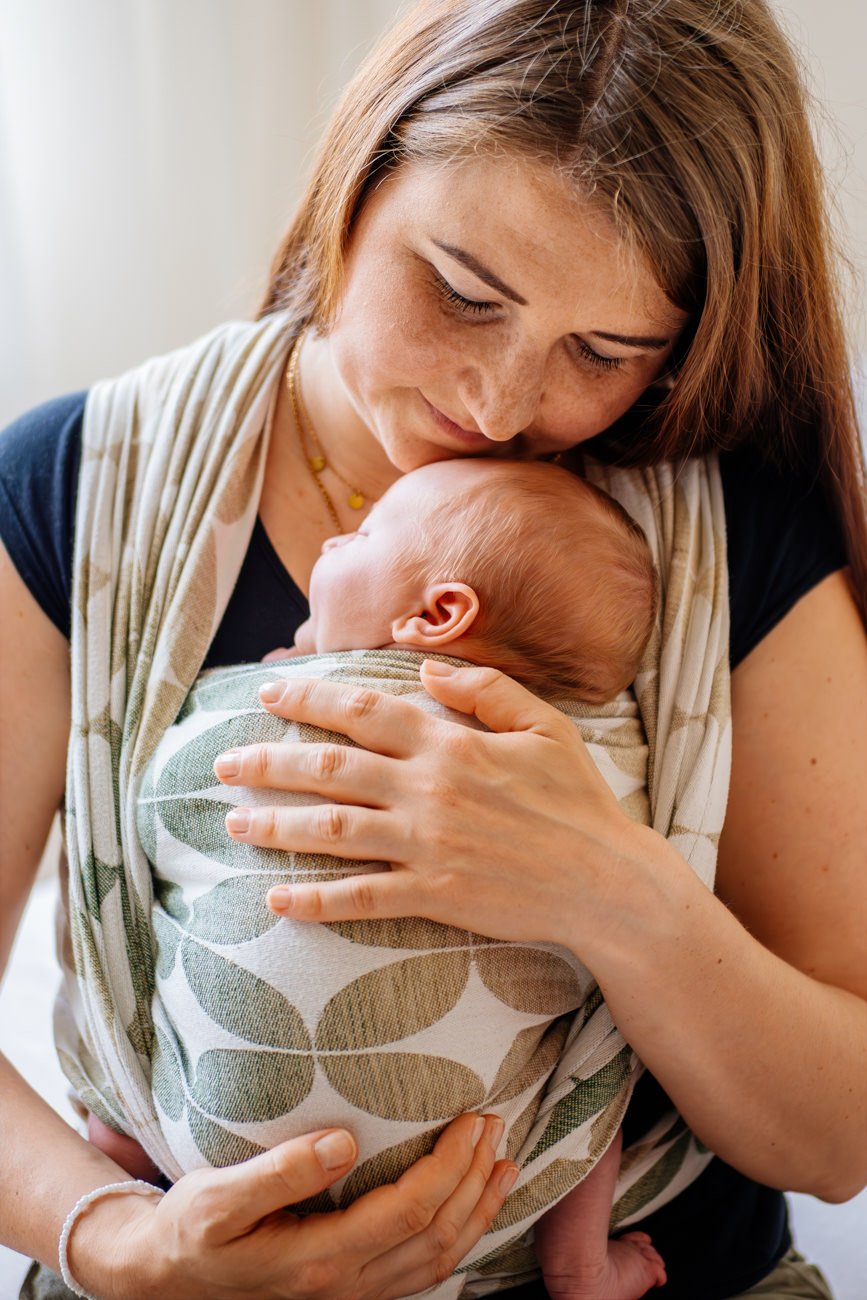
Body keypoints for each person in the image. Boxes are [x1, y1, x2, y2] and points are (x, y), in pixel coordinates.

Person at [1, 1, 865, 1298]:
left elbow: (837, 1138)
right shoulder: (78, 487)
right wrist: (116, 1242)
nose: (499, 405)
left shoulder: (732, 528)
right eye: (461, 294)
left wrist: (605, 890)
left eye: (605, 351)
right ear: (355, 180)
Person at [90, 454, 665, 1300]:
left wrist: (275, 680)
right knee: (599, 1058)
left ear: (437, 614)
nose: (332, 538)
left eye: (361, 536)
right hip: (474, 1154)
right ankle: (577, 1261)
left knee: (123, 983)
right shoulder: (580, 757)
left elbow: (156, 808)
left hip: (210, 1141)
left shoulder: (271, 703)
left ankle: (124, 1146)